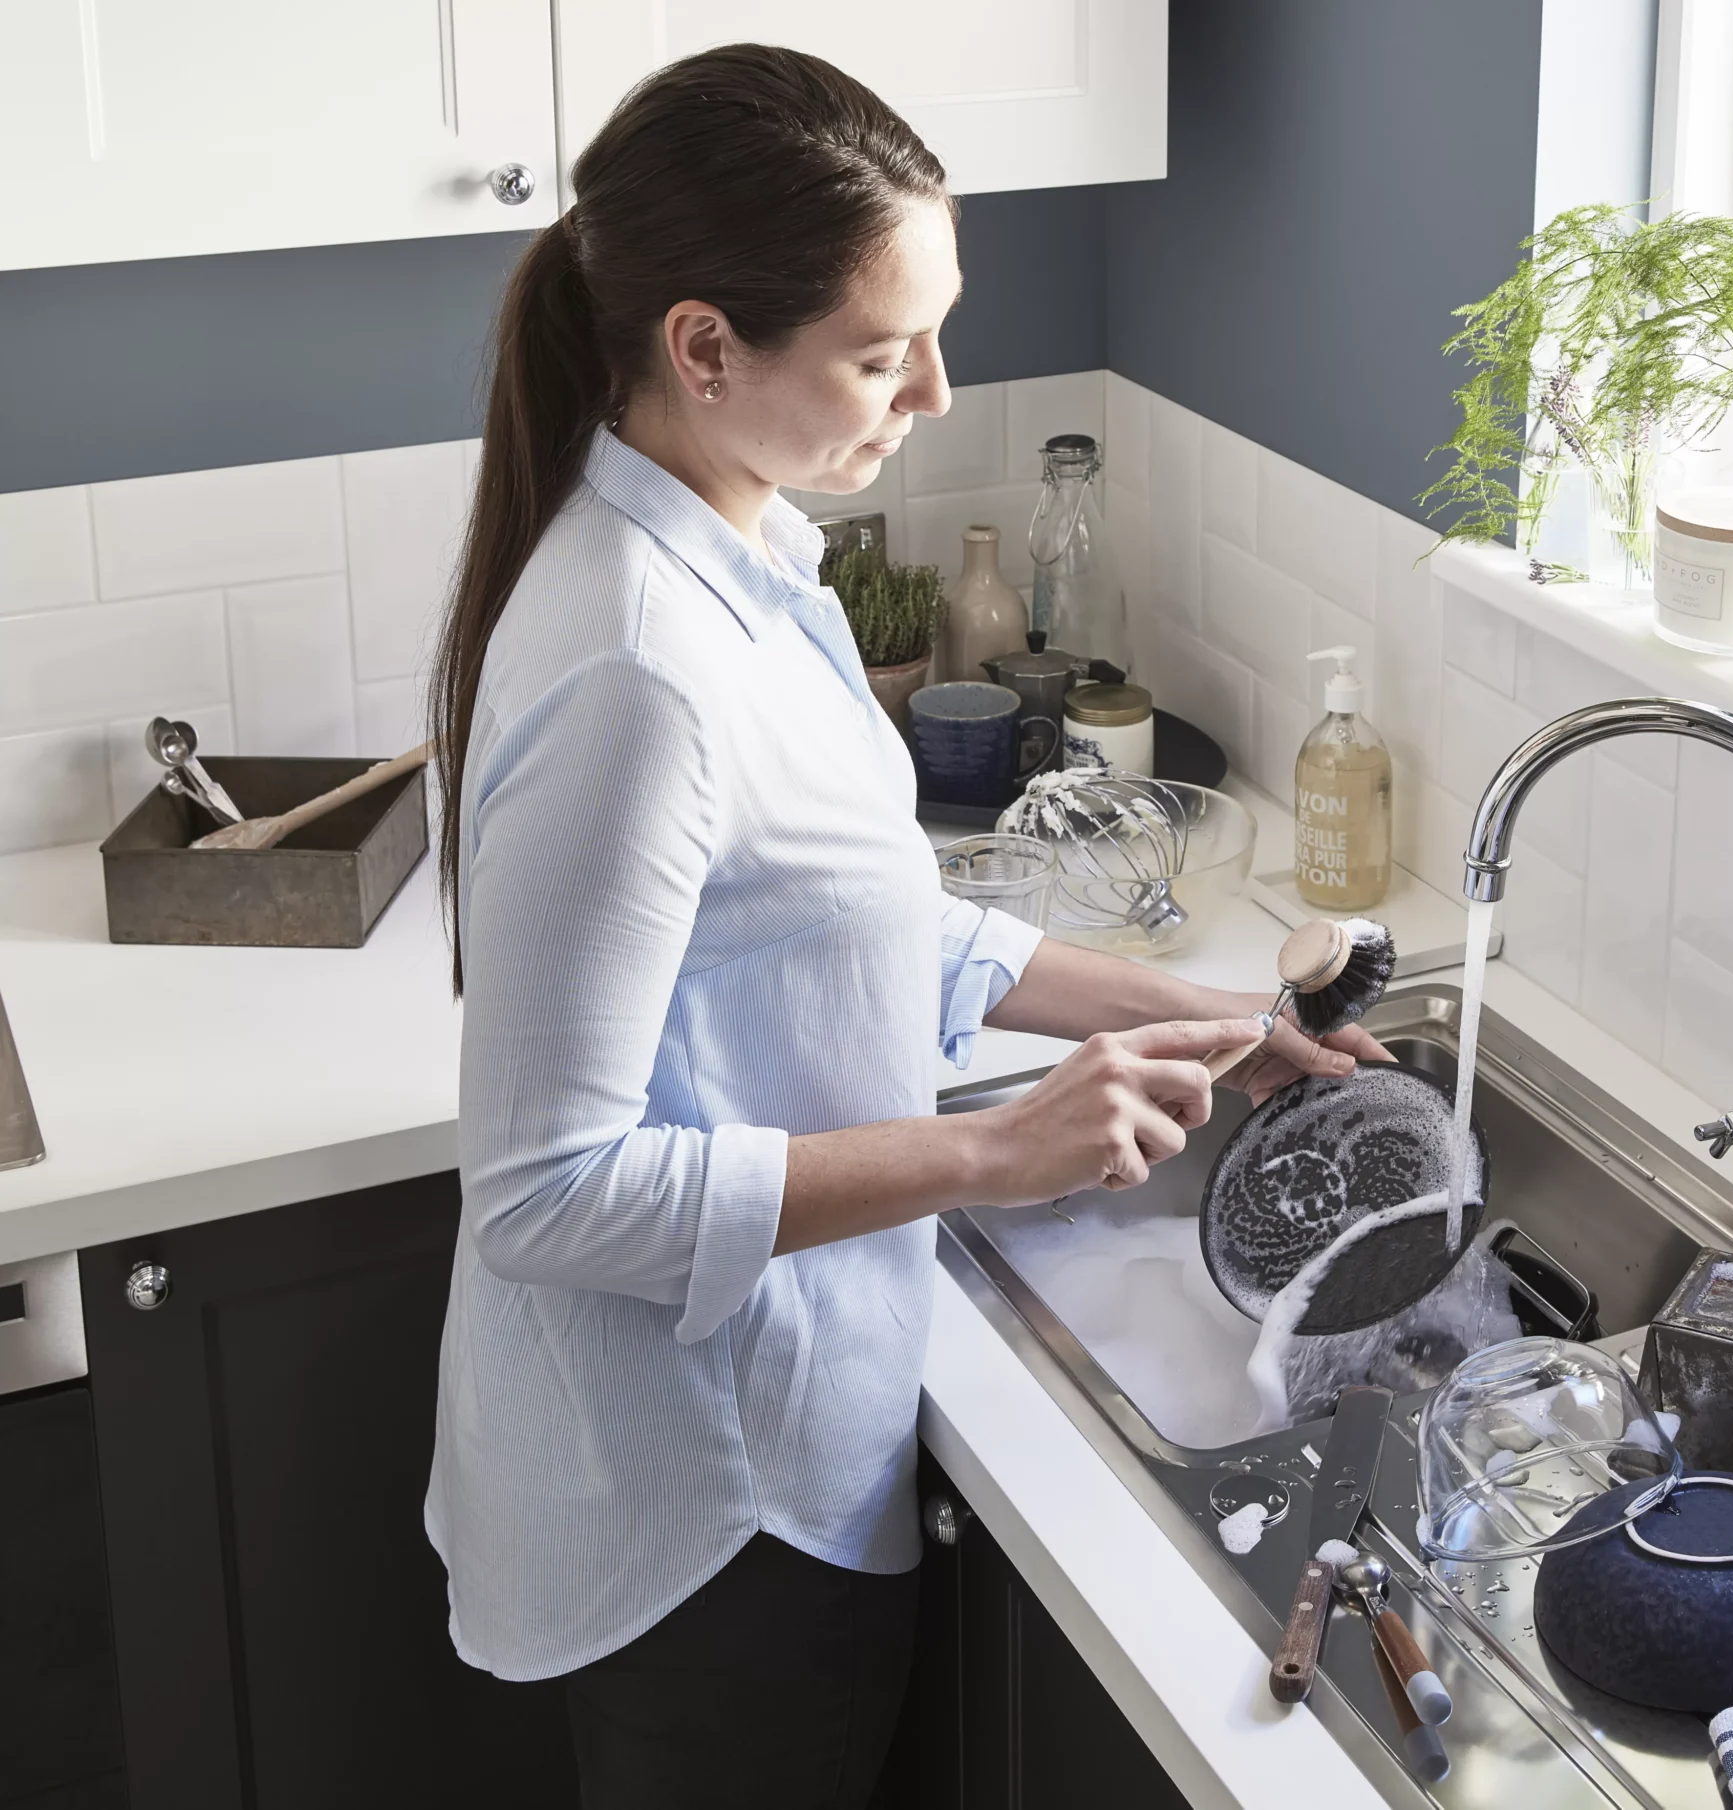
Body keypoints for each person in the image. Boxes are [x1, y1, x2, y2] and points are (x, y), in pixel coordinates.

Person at [421, 44, 1384, 1807]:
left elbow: (861, 932)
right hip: (708, 1519)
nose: (938, 391)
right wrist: (995, 1154)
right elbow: (548, 1189)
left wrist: (1202, 1013)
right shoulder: (641, 669)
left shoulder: (748, 548)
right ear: (705, 348)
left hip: (785, 1443)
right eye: (884, 350)